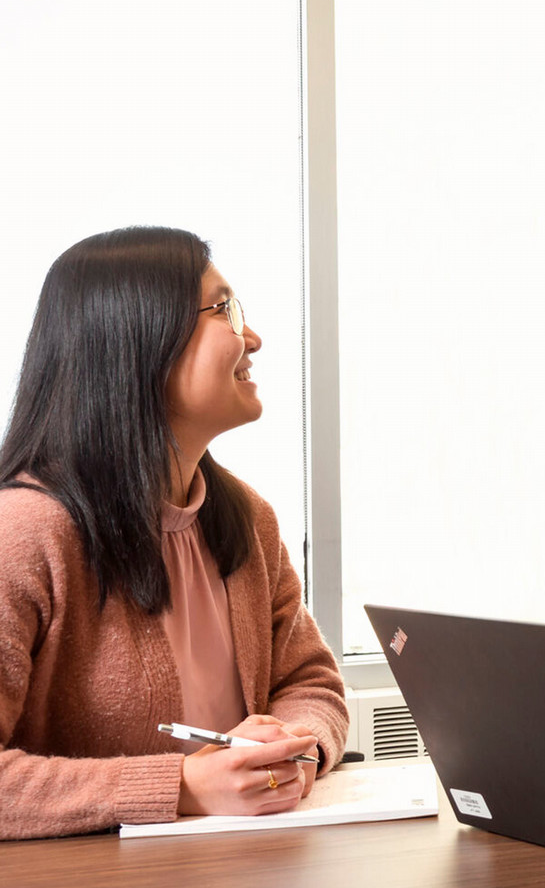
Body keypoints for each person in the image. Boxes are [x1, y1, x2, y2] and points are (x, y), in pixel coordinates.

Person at [0, 227, 348, 840]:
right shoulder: (25, 535)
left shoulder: (246, 518)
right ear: (137, 343)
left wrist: (293, 748)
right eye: (225, 310)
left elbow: (309, 681)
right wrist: (184, 787)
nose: (254, 338)